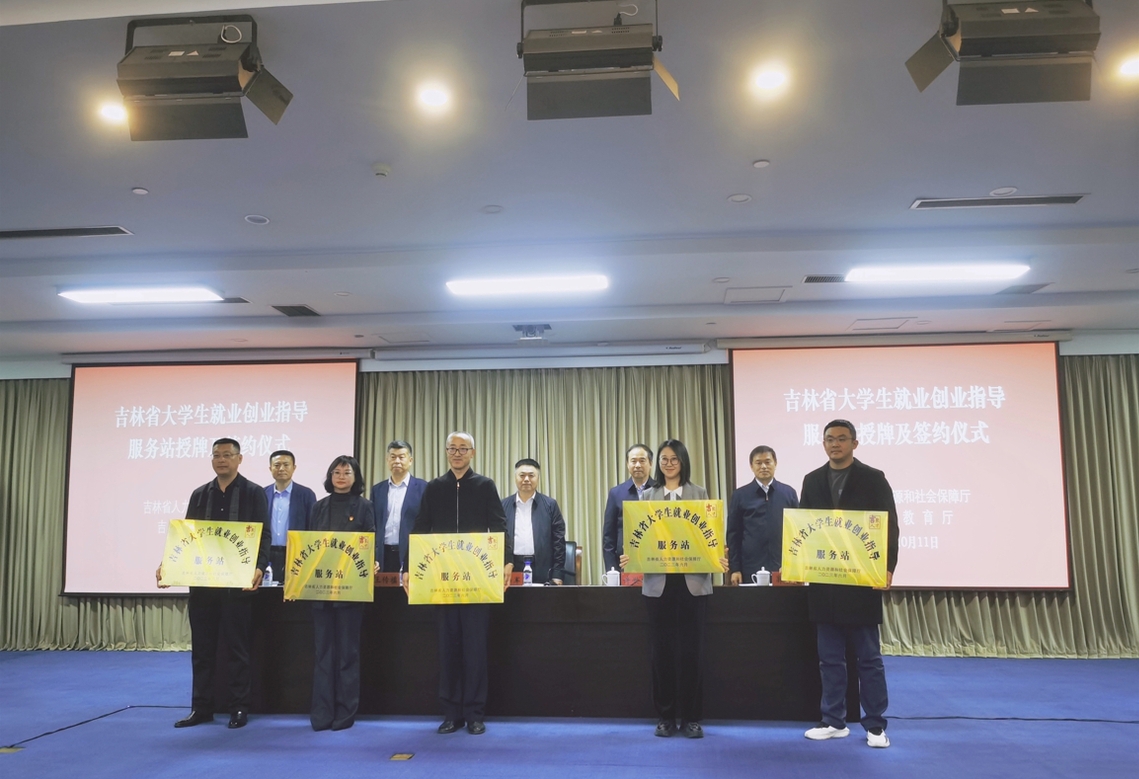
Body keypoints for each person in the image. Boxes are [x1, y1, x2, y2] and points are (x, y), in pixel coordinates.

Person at [156, 437, 270, 730]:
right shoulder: (199, 494)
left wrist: (259, 567)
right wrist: (168, 565)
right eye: (217, 455)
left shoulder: (254, 493)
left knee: (237, 650)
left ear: (239, 459)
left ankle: (239, 708)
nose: (222, 460)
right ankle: (201, 708)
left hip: (236, 586)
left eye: (228, 455)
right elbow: (186, 537)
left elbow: (264, 534)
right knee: (202, 650)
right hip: (203, 585)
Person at [799, 419, 899, 749]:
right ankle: (833, 721)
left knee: (868, 659)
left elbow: (889, 525)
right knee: (829, 659)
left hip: (861, 580)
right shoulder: (812, 480)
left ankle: (875, 724)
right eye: (829, 439)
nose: (835, 444)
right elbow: (803, 527)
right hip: (825, 581)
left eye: (842, 439)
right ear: (823, 443)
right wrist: (798, 563)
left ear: (854, 443)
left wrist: (887, 568)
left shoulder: (873, 478)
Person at [406, 431, 513, 735]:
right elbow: (420, 527)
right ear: (446, 452)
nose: (457, 453)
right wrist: (409, 566)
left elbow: (499, 525)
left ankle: (475, 713)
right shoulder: (434, 487)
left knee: (475, 649)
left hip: (477, 580)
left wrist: (507, 561)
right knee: (447, 648)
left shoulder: (485, 485)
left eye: (462, 448)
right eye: (452, 448)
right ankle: (451, 713)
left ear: (472, 453)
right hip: (441, 581)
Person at [620, 439, 727, 739]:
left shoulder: (699, 494)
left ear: (683, 462)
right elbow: (638, 537)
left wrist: (717, 555)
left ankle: (691, 718)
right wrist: (630, 555)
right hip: (659, 584)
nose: (668, 464)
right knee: (662, 652)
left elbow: (709, 536)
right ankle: (666, 716)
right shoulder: (648, 496)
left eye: (674, 459)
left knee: (693, 652)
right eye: (664, 459)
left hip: (693, 583)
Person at [306, 455, 378, 731]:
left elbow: (369, 541)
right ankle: (322, 713)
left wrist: (372, 561)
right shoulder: (318, 507)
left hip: (350, 591)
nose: (341, 476)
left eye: (347, 472)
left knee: (348, 654)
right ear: (329, 476)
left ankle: (346, 713)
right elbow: (309, 545)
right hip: (320, 590)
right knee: (323, 654)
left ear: (355, 477)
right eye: (336, 472)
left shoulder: (364, 506)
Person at [727, 445, 799, 583]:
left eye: (767, 462)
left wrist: (793, 565)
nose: (763, 467)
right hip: (750, 567)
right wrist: (735, 569)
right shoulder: (740, 495)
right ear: (751, 466)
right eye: (758, 463)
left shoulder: (788, 493)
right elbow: (733, 535)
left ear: (775, 463)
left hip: (782, 567)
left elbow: (797, 532)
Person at [502, 458, 567, 585]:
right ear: (515, 478)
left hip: (543, 567)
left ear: (538, 478)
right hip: (512, 567)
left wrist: (557, 574)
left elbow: (559, 542)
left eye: (531, 475)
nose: (526, 479)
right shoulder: (503, 505)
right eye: (522, 475)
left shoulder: (550, 505)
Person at [370, 440, 427, 574]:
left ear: (410, 460)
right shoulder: (377, 490)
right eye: (393, 457)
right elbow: (373, 524)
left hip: (411, 553)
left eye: (401, 457)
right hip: (382, 555)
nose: (397, 461)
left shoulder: (423, 488)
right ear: (387, 460)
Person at [264, 449, 317, 583]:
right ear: (270, 468)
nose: (281, 469)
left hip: (296, 554)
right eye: (277, 465)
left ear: (294, 468)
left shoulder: (306, 494)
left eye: (286, 465)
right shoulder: (263, 493)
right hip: (267, 554)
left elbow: (312, 527)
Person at [602, 444, 654, 574]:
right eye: (633, 461)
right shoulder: (616, 493)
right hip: (624, 565)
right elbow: (608, 537)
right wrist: (612, 571)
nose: (637, 465)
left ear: (651, 463)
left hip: (655, 565)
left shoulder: (661, 491)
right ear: (627, 464)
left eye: (642, 461)